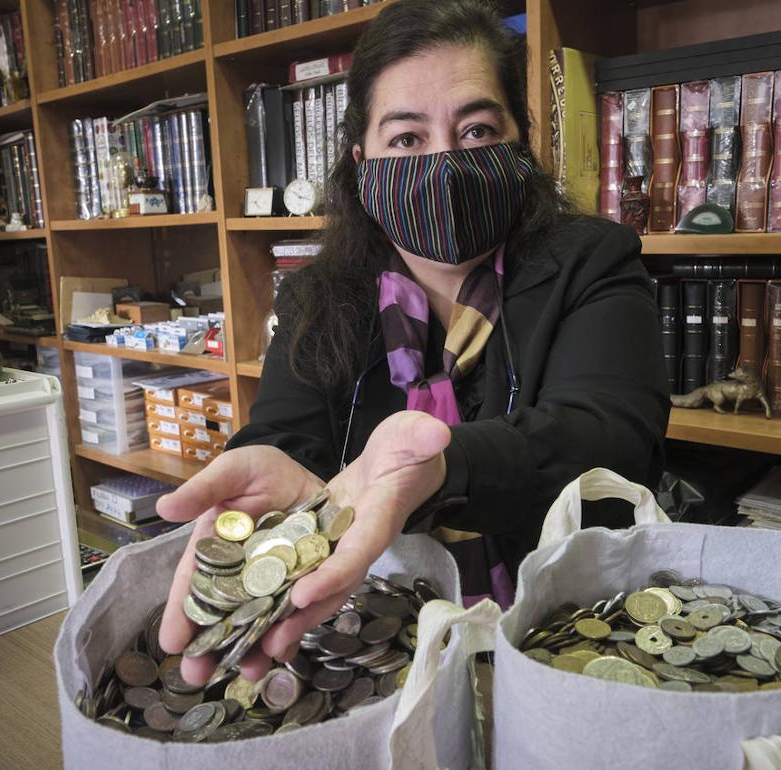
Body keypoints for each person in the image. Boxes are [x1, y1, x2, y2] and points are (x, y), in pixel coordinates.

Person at [157, 0, 670, 686]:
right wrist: (264, 482)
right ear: (360, 158)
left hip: (562, 632)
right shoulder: (316, 296)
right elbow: (287, 437)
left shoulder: (592, 259)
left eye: (478, 128)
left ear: (519, 142)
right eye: (406, 138)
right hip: (375, 637)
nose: (444, 164)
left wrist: (440, 467)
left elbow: (611, 436)